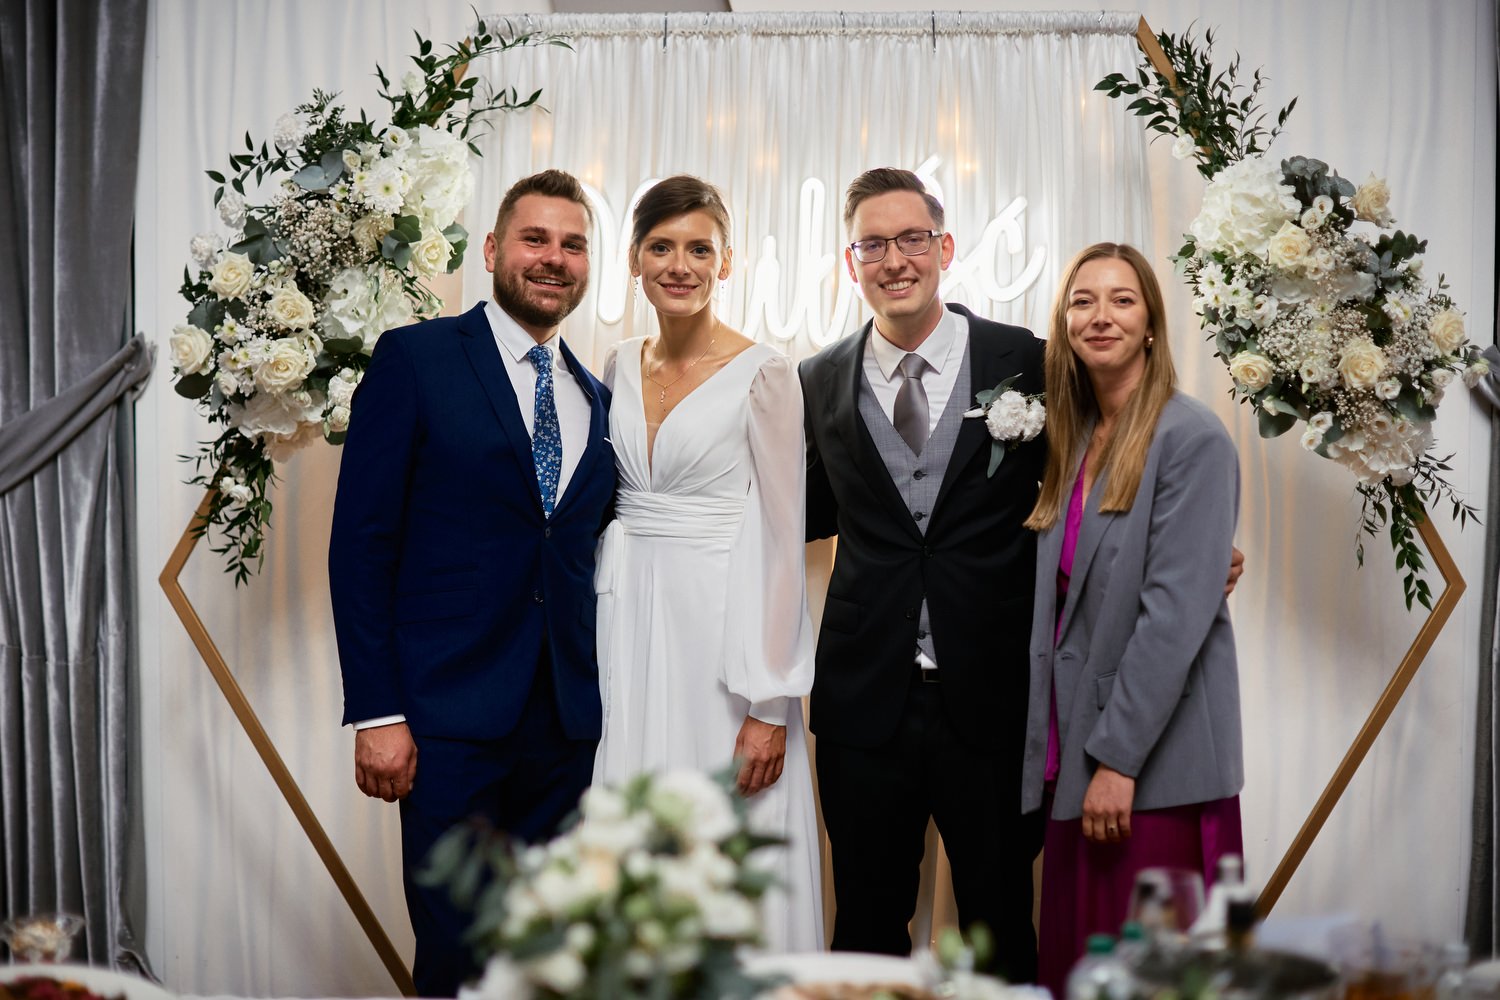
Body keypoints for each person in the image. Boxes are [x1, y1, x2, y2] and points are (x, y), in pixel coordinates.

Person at [328, 169, 615, 997]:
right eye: (535, 238)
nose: (553, 258)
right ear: (492, 249)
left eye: (572, 245)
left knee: (544, 956)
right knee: (457, 955)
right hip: (446, 722)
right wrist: (378, 712)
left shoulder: (595, 396)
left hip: (565, 729)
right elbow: (361, 545)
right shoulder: (416, 359)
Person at [799, 168, 1045, 980]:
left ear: (944, 247)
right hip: (865, 701)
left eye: (912, 239)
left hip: (994, 698)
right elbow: (796, 516)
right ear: (851, 263)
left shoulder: (1026, 360)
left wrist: (1170, 546)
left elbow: (1085, 486)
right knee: (866, 925)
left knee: (999, 926)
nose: (894, 259)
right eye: (873, 244)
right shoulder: (816, 379)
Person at [592, 175, 824, 952]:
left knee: (724, 832)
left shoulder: (767, 372)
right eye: (661, 247)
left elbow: (782, 536)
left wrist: (770, 704)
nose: (679, 265)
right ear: (634, 259)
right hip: (627, 624)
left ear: (727, 263)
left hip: (723, 642)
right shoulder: (617, 363)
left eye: (700, 249)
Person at [1019, 243, 1244, 995]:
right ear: (1064, 322)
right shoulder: (1075, 437)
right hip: (1077, 751)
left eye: (1122, 300)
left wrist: (1117, 763)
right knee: (1082, 970)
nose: (1101, 316)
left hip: (1151, 768)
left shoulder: (1191, 438)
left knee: (1149, 978)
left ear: (1151, 324)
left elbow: (1171, 622)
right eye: (1083, 301)